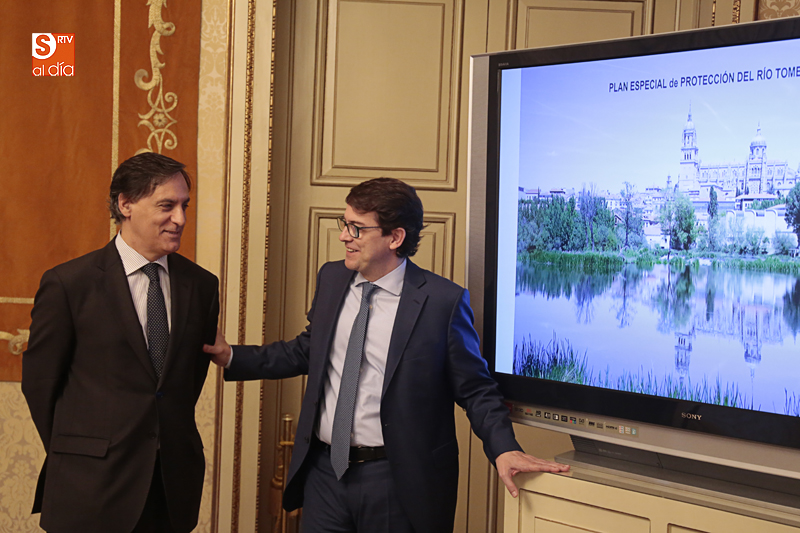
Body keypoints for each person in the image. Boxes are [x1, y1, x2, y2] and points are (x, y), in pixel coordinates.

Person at [203, 177, 568, 533]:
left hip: (396, 481)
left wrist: (504, 449)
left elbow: (474, 389)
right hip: (324, 475)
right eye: (345, 223)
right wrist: (232, 355)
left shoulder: (442, 302)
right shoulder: (331, 278)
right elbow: (308, 349)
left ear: (395, 238)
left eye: (357, 228)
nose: (344, 236)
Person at [22, 153, 220, 533]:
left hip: (169, 490)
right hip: (89, 488)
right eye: (166, 205)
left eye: (184, 206)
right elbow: (40, 384)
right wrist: (81, 452)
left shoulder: (201, 286)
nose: (180, 218)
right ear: (125, 204)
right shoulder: (69, 284)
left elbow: (184, 384)